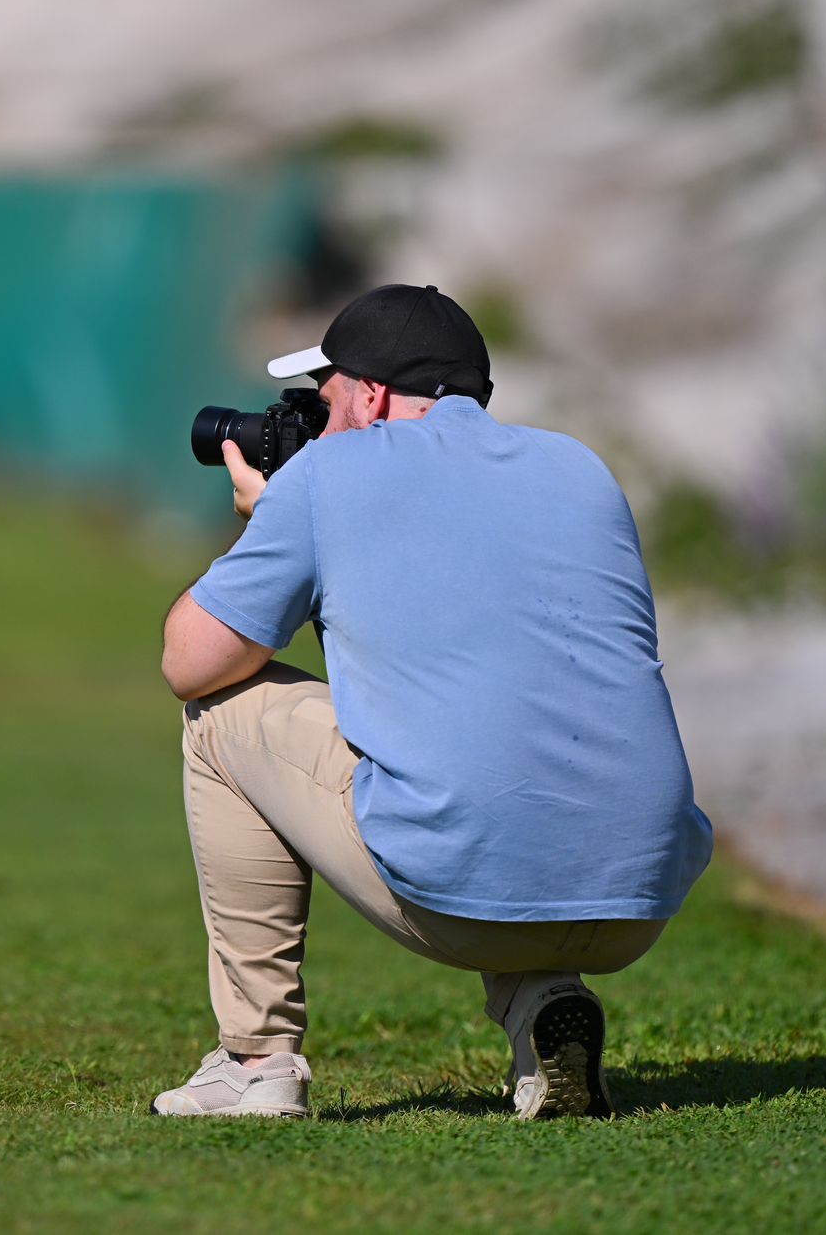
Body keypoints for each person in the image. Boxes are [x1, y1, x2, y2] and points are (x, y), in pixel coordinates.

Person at [151, 283, 712, 1121]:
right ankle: (542, 1009)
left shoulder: (328, 475)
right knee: (491, 734)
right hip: (639, 895)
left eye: (325, 397)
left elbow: (190, 661)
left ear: (371, 394)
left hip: (462, 894)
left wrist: (267, 522)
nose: (313, 418)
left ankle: (254, 1061)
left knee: (220, 719)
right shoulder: (580, 467)